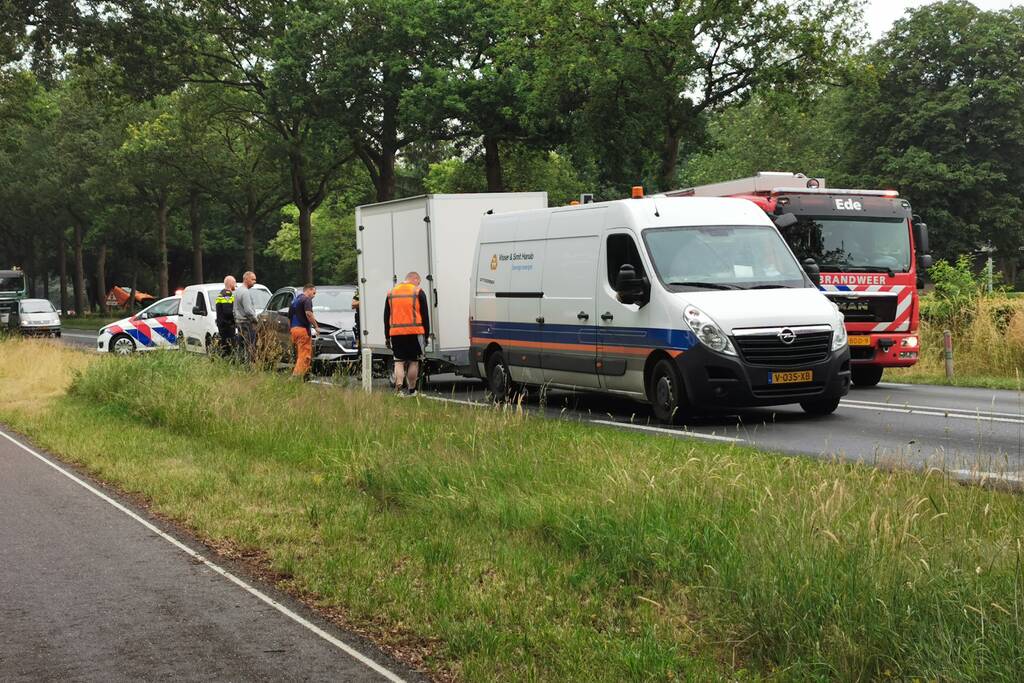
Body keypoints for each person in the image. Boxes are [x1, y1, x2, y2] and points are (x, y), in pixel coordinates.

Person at [383, 272, 429, 396]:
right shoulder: (418, 292)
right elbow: (425, 316)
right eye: (418, 281)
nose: (418, 284)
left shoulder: (391, 293)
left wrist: (387, 336)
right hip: (415, 333)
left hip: (396, 333)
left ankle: (398, 392)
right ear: (414, 279)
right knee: (414, 362)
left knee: (398, 362)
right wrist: (427, 335)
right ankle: (412, 390)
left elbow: (386, 317)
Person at [289, 284, 319, 379]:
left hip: (294, 329)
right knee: (304, 355)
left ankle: (305, 375)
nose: (314, 295)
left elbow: (289, 316)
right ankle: (295, 377)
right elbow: (309, 314)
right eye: (313, 293)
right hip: (302, 330)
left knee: (300, 353)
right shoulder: (306, 300)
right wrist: (316, 326)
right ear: (309, 290)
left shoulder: (295, 301)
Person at [233, 270, 259, 361]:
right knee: (250, 346)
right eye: (253, 279)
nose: (254, 282)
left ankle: (240, 364)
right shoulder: (245, 292)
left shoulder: (236, 291)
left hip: (239, 322)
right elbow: (248, 310)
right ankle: (250, 367)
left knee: (241, 345)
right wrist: (255, 319)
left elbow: (234, 309)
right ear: (246, 279)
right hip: (247, 323)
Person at [214, 276, 237, 357]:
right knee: (229, 347)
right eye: (235, 282)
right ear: (230, 283)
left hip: (223, 325)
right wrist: (235, 320)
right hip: (227, 325)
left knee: (224, 346)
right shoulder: (227, 294)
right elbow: (228, 312)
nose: (236, 285)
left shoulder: (221, 293)